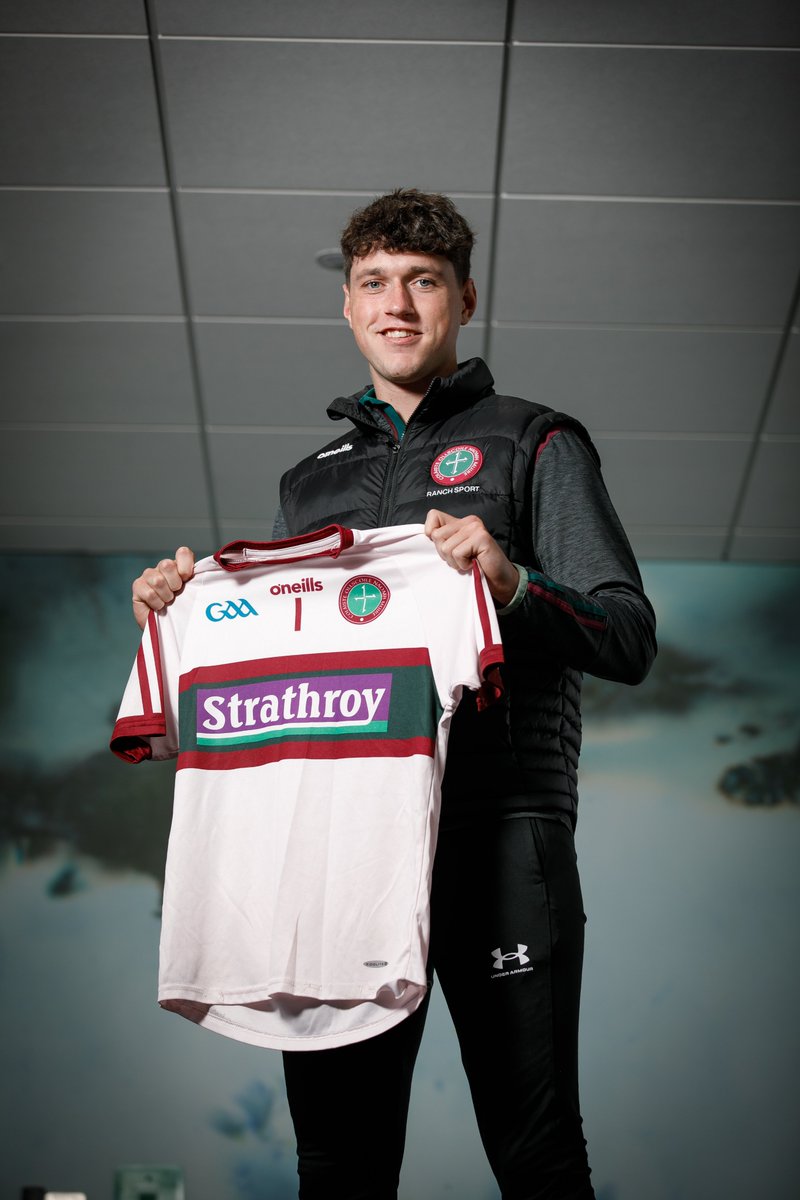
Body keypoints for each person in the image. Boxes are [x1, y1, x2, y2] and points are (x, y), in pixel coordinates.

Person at [132, 188, 657, 1200]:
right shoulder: (307, 484)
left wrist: (508, 581)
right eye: (373, 282)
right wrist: (172, 615)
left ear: (462, 296)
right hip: (344, 848)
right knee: (337, 1161)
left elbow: (625, 635)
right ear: (347, 306)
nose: (396, 304)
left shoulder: (533, 441)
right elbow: (286, 673)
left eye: (422, 281)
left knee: (537, 1152)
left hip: (501, 832)